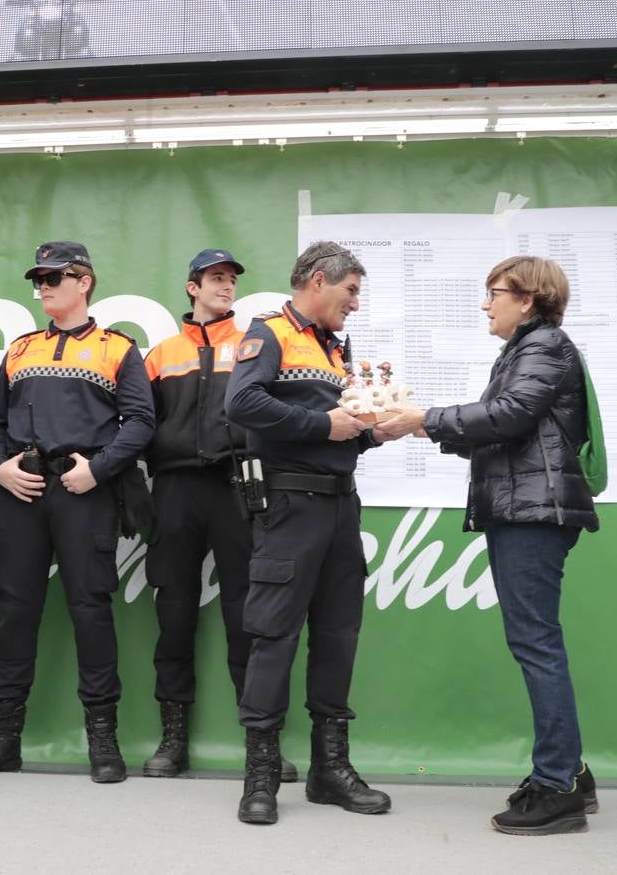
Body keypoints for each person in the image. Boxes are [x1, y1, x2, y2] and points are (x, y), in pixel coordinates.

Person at [379, 255, 600, 836]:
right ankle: (569, 772)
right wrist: (423, 424)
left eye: (493, 293)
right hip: (522, 508)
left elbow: (508, 415)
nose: (486, 303)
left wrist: (421, 418)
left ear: (526, 299)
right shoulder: (528, 349)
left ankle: (558, 786)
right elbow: (503, 432)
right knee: (535, 642)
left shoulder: (544, 346)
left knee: (536, 644)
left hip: (533, 514)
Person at [0, 240, 154, 784]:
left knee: (90, 611)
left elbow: (140, 422)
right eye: (38, 278)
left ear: (84, 281)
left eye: (54, 277)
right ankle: (4, 741)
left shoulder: (119, 348)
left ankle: (103, 741)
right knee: (14, 612)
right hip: (20, 491)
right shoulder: (19, 349)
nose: (43, 286)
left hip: (84, 493)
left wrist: (99, 469)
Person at [223, 240, 391, 825]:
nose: (355, 304)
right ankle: (261, 776)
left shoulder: (336, 347)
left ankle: (329, 770)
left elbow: (344, 430)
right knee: (273, 637)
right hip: (288, 507)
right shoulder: (268, 333)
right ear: (319, 280)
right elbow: (241, 403)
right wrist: (324, 424)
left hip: (342, 508)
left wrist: (378, 433)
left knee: (339, 633)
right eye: (351, 292)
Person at [139, 248, 298, 783]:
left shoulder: (253, 343)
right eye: (215, 278)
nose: (225, 286)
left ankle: (262, 748)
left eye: (230, 279)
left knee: (247, 618)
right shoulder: (160, 353)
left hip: (238, 487)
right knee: (174, 615)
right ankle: (172, 740)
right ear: (192, 287)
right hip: (176, 489)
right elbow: (140, 424)